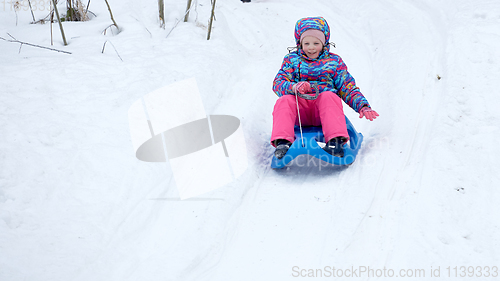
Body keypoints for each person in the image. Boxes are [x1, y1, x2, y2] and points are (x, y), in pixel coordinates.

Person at [271, 17, 379, 159]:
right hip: (299, 112)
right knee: (284, 100)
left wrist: (363, 106)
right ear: (299, 43)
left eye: (316, 43)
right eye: (306, 43)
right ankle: (282, 142)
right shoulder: (291, 60)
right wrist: (294, 86)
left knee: (329, 96)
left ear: (324, 43)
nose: (311, 47)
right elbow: (278, 83)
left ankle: (335, 141)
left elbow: (347, 87)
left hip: (324, 114)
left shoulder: (334, 62)